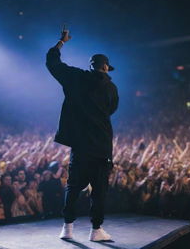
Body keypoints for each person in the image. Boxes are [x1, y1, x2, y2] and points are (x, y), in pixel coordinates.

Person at [46, 28, 119, 241]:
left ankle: (67, 228)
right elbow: (112, 109)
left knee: (74, 185)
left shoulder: (75, 77)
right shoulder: (111, 88)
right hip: (101, 144)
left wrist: (61, 42)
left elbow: (52, 62)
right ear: (105, 67)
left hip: (80, 143)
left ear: (91, 66)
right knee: (99, 190)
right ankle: (96, 230)